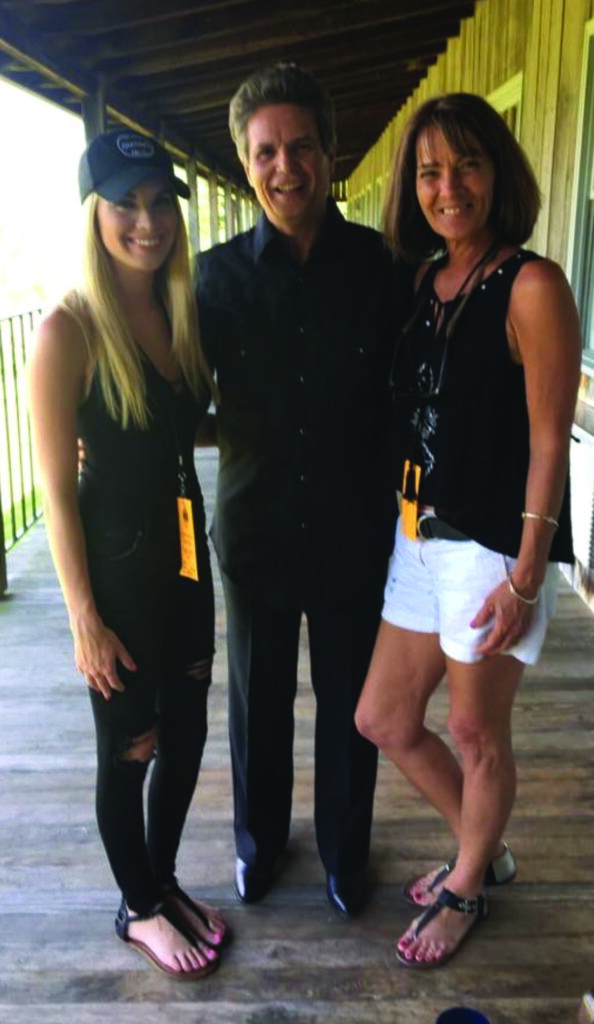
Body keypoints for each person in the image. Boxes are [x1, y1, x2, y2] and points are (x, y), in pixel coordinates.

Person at [355, 92, 581, 966]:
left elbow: (547, 438)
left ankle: (466, 886)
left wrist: (527, 570)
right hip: (419, 536)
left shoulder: (532, 284)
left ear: (500, 173)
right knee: (383, 717)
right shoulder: (425, 281)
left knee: (478, 731)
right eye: (429, 171)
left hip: (490, 544)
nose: (448, 187)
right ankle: (484, 852)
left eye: (467, 165)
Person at [196, 64, 409, 915]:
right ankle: (258, 844)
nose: (286, 166)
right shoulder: (210, 280)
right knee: (258, 706)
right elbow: (166, 383)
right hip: (255, 535)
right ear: (245, 164)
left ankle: (343, 855)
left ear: (330, 151)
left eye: (301, 147)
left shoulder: (388, 266)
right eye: (266, 152)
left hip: (358, 534)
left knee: (354, 712)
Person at [28, 128, 228, 978]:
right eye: (125, 205)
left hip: (186, 565)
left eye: (158, 204)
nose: (146, 222)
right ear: (94, 213)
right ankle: (138, 909)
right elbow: (55, 493)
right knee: (131, 748)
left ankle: (161, 879)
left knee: (184, 739)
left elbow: (188, 431)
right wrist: (81, 616)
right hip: (115, 580)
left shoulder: (180, 309)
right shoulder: (67, 331)